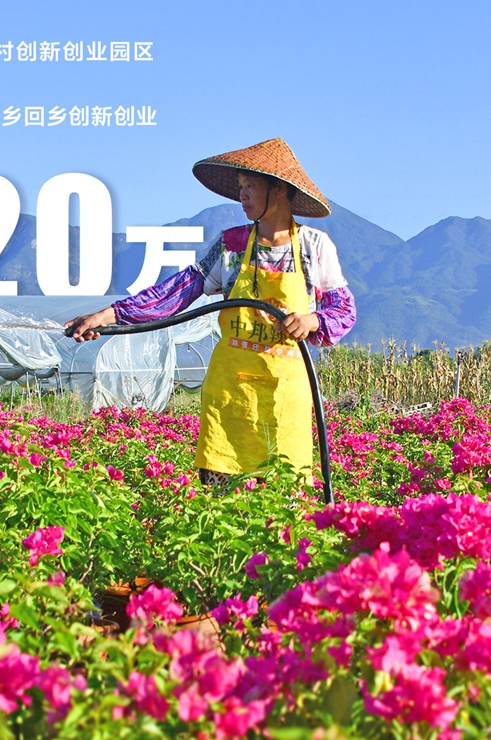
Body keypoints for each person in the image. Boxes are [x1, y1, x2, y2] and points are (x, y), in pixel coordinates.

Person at [64, 138, 356, 485]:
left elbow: (343, 309)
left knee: (286, 495)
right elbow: (177, 292)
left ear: (278, 188)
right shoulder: (231, 245)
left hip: (285, 394)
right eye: (240, 187)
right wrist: (106, 317)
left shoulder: (313, 247)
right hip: (230, 392)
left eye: (250, 186)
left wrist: (312, 320)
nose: (242, 195)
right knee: (221, 498)